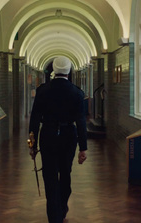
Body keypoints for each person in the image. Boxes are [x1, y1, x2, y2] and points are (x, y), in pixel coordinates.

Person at [28, 56, 88, 223]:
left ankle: (54, 216)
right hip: (69, 136)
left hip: (48, 134)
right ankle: (62, 207)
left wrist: (32, 145)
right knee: (65, 172)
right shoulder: (77, 93)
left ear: (54, 70)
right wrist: (83, 147)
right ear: (69, 71)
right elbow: (81, 121)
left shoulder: (43, 91)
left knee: (50, 175)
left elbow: (35, 118)